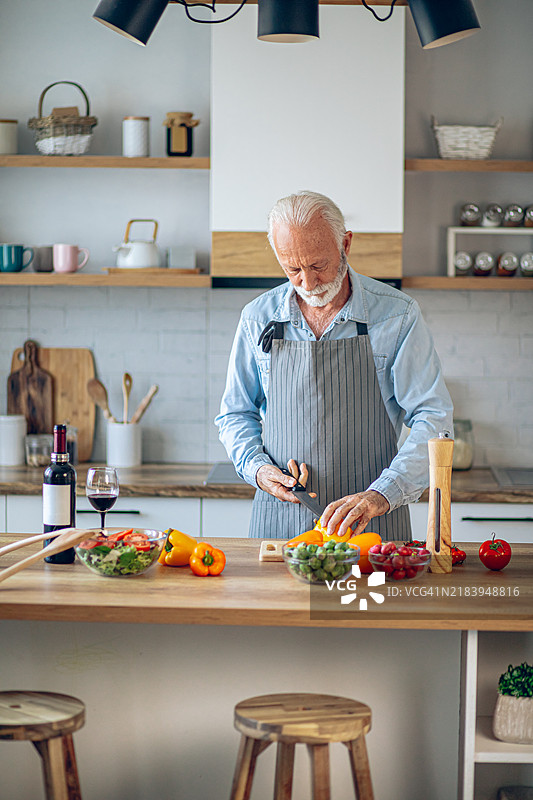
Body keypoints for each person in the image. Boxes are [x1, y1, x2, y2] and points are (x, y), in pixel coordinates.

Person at [215, 191, 453, 540]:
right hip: (281, 522)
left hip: (371, 524)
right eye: (292, 269)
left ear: (346, 243)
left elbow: (433, 417)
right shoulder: (258, 317)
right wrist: (259, 469)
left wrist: (381, 494)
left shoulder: (397, 315)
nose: (307, 284)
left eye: (317, 265)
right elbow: (235, 414)